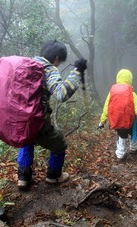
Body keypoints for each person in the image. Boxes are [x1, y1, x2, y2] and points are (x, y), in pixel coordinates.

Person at [17, 40, 87, 190]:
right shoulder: (47, 68)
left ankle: (23, 177)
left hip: (19, 118)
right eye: (60, 61)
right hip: (36, 120)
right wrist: (77, 71)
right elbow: (61, 94)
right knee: (59, 142)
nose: (58, 65)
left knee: (27, 140)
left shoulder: (26, 65)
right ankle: (54, 176)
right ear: (56, 57)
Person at [98, 69, 137, 161]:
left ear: (118, 78)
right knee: (134, 132)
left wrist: (102, 122)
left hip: (117, 122)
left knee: (121, 136)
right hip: (130, 122)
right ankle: (133, 149)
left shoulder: (112, 93)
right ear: (130, 79)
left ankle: (120, 154)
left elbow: (106, 108)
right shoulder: (132, 93)